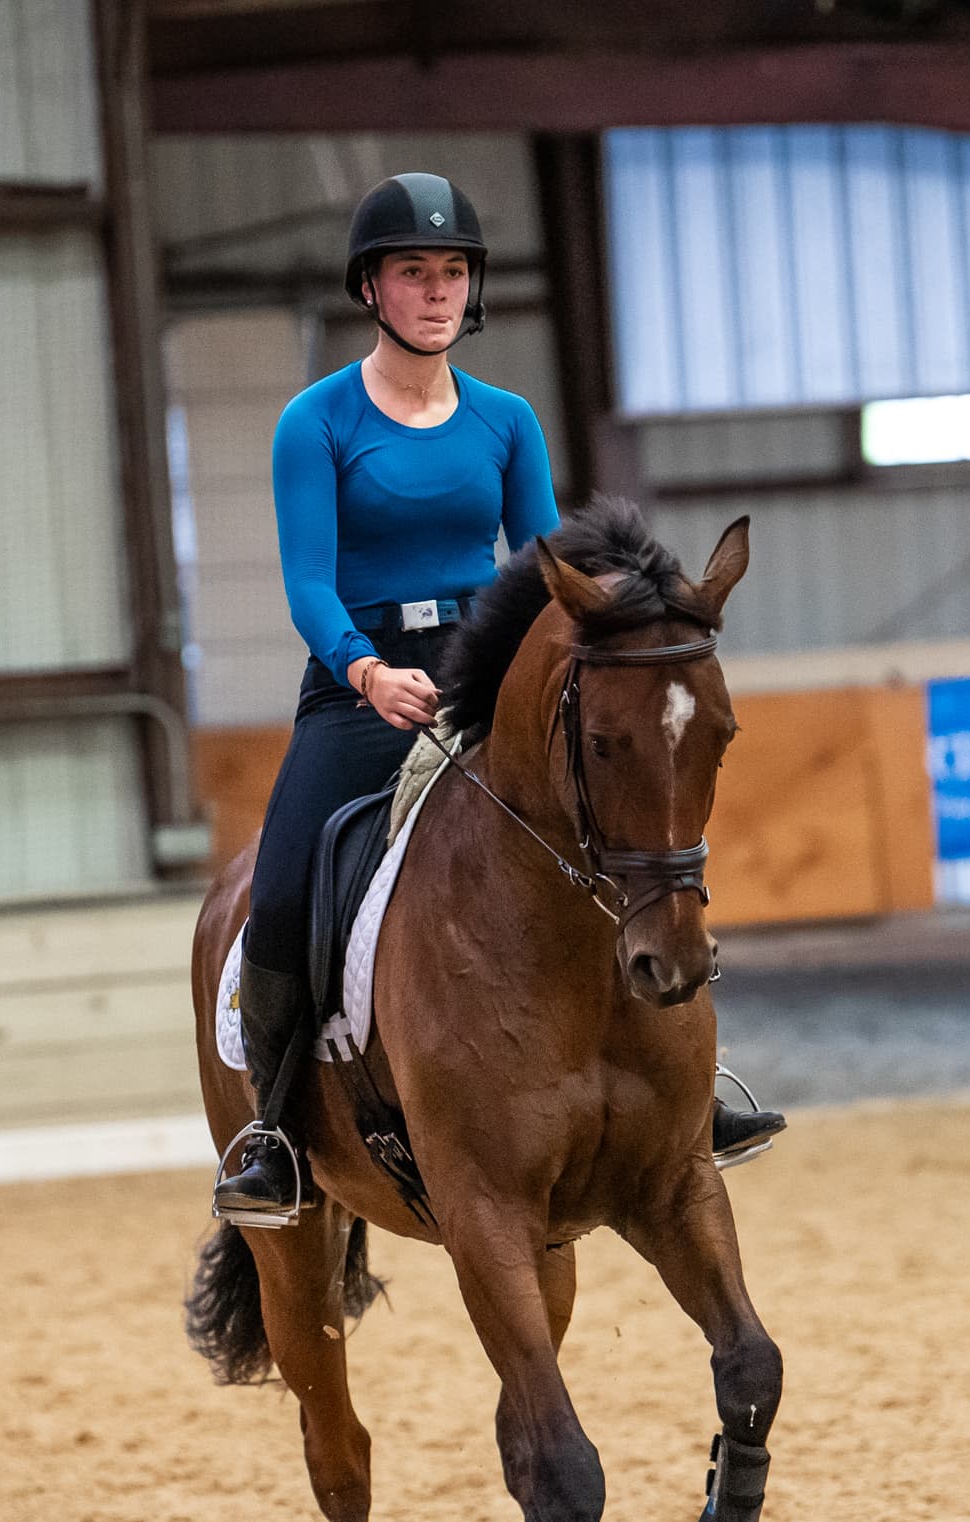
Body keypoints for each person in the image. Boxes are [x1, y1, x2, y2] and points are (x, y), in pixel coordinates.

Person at [214, 172, 783, 1225]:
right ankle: (277, 1135)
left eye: (452, 272)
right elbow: (307, 583)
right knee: (283, 890)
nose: (436, 291)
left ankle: (684, 1090)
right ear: (371, 287)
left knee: (619, 838)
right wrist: (365, 670)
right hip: (359, 684)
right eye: (412, 272)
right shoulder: (315, 421)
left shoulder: (506, 419)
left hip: (485, 668)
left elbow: (544, 567)